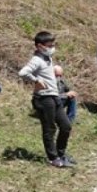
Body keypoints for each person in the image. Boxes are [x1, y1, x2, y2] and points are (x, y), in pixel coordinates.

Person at [19, 31, 74, 168]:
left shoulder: (47, 58)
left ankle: (61, 153)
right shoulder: (36, 60)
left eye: (53, 45)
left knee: (66, 126)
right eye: (49, 45)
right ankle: (53, 158)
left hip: (54, 96)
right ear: (39, 46)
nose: (52, 47)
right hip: (43, 98)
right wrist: (36, 80)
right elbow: (23, 72)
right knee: (49, 128)